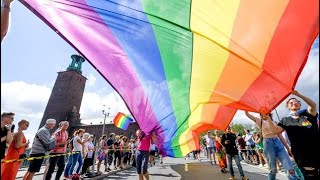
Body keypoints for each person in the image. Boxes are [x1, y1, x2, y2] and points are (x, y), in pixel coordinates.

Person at [268, 90, 319, 179]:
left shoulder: (308, 113)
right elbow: (275, 131)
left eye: (297, 101)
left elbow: (313, 105)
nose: (294, 103)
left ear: (300, 105)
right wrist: (268, 118)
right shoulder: (286, 120)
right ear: (287, 106)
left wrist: (298, 95)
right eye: (291, 102)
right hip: (303, 156)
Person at [245, 112, 297, 180]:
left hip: (278, 142)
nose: (263, 114)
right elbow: (248, 115)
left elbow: (280, 136)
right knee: (273, 169)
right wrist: (245, 109)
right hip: (268, 143)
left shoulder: (274, 122)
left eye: (266, 112)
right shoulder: (259, 121)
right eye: (262, 113)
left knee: (289, 167)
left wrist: (288, 148)